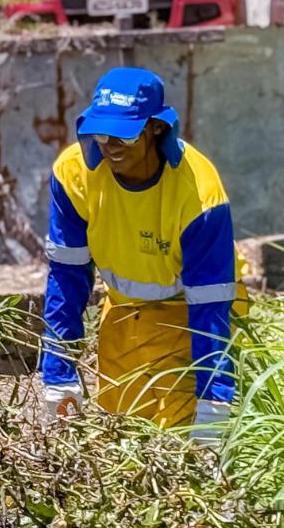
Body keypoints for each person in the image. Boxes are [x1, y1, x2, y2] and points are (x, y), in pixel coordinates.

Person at [39, 66, 243, 439]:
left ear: (157, 129)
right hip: (126, 310)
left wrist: (214, 406)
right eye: (101, 133)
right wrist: (58, 373)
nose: (110, 145)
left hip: (194, 310)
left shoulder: (199, 194)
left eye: (124, 135)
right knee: (125, 434)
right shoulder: (74, 174)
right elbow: (66, 278)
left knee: (180, 439)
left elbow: (210, 310)